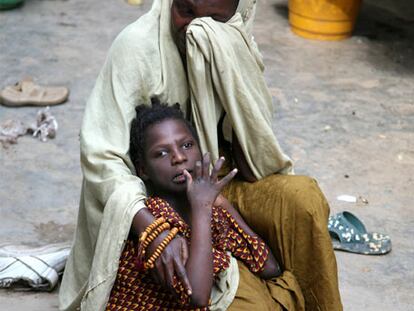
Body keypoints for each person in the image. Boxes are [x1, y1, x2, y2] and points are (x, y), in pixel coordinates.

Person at [59, 1, 342, 310]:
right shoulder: (137, 46)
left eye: (212, 18)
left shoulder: (235, 35)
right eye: (186, 9)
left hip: (215, 181)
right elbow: (102, 156)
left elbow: (251, 151)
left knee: (303, 199)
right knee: (247, 299)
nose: (196, 28)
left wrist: (220, 201)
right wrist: (152, 231)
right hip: (163, 206)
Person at [105, 100, 304, 310]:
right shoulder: (155, 215)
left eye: (187, 145)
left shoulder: (213, 207)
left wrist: (221, 204)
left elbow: (269, 267)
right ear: (143, 170)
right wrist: (202, 209)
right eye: (162, 153)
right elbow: (197, 297)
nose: (179, 158)